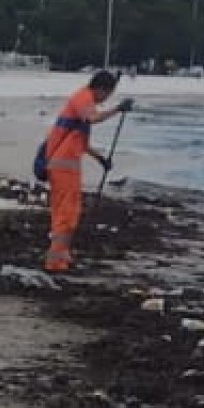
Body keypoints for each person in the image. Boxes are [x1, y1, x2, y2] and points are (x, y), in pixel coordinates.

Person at [39, 68, 120, 272]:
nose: (105, 100)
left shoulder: (84, 100)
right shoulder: (82, 98)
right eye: (107, 95)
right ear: (101, 89)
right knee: (64, 214)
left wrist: (100, 159)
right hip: (61, 167)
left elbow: (82, 143)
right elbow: (93, 118)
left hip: (70, 168)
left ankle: (63, 253)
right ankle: (54, 260)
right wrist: (118, 109)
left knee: (73, 213)